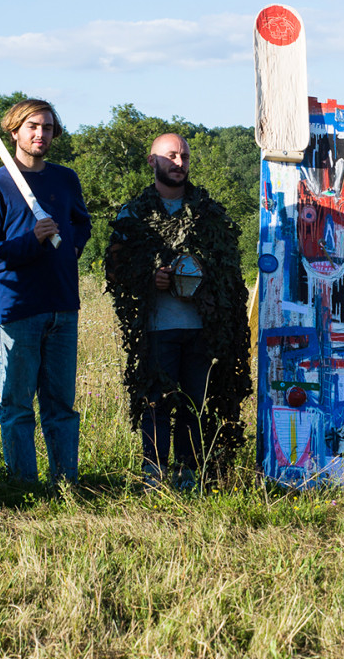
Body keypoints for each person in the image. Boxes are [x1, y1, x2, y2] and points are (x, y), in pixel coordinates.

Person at [105, 133, 249, 489]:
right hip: (157, 327)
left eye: (184, 156)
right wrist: (149, 277)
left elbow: (230, 267)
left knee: (193, 405)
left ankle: (188, 474)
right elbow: (115, 267)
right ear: (153, 161)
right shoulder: (134, 213)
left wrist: (201, 277)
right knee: (155, 403)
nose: (179, 162)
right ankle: (153, 474)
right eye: (171, 156)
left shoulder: (209, 212)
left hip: (202, 328)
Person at [0, 99, 91, 485]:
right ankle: (23, 485)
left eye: (48, 128)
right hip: (19, 309)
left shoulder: (65, 179)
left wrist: (73, 245)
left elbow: (81, 222)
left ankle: (66, 483)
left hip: (63, 305)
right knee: (18, 404)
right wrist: (30, 242)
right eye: (33, 127)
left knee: (61, 405)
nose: (41, 135)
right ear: (14, 131)